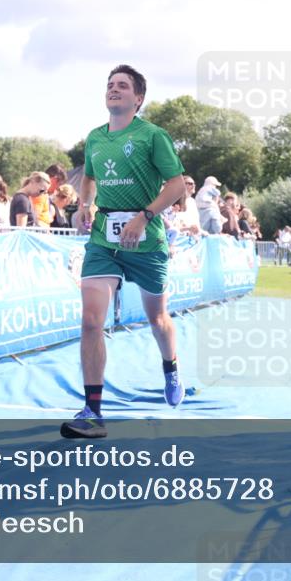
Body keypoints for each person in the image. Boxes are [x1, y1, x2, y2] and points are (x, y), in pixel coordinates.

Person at [61, 64, 187, 439]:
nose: (114, 90)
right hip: (104, 241)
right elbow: (88, 178)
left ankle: (171, 367)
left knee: (158, 320)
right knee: (90, 320)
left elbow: (178, 183)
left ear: (138, 98)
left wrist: (145, 217)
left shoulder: (153, 136)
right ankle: (93, 412)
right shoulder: (95, 138)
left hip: (146, 242)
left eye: (122, 86)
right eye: (110, 85)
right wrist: (85, 205)